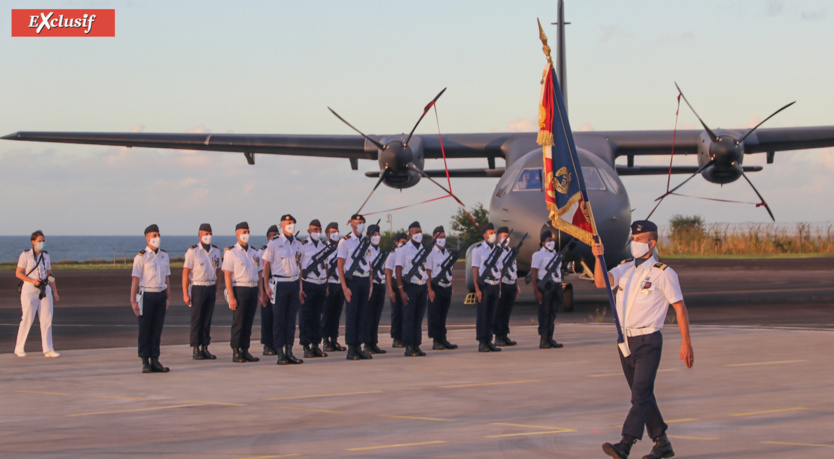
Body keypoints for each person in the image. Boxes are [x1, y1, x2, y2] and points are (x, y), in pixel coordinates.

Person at [593, 220, 694, 459]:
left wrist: (686, 343)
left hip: (648, 340)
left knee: (639, 395)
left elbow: (680, 308)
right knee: (644, 395)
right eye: (634, 239)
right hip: (625, 341)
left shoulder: (664, 274)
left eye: (639, 239)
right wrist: (598, 257)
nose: (635, 243)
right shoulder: (625, 267)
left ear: (652, 243)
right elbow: (601, 282)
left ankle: (626, 443)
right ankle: (662, 442)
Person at [263, 214, 304, 365]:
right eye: (287, 222)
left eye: (292, 222)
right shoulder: (275, 242)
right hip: (279, 283)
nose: (290, 224)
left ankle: (289, 351)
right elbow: (266, 264)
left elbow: (300, 266)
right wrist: (266, 286)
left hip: (293, 283)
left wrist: (300, 287)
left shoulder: (298, 244)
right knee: (279, 319)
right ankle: (280, 353)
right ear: (281, 224)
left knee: (291, 320)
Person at [130, 224, 171, 373]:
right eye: (154, 235)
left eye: (158, 235)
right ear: (147, 238)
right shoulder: (141, 257)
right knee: (145, 329)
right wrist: (133, 300)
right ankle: (145, 361)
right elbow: (135, 279)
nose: (157, 238)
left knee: (157, 329)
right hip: (146, 294)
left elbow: (167, 278)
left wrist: (167, 297)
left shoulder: (164, 255)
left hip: (160, 294)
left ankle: (155, 360)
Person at [222, 222, 264, 363]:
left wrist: (261, 294)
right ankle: (236, 351)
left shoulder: (254, 252)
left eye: (247, 231)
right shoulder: (231, 252)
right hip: (239, 288)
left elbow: (259, 274)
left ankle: (245, 350)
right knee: (239, 322)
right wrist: (231, 296)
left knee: (248, 322)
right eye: (243, 232)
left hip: (252, 289)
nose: (246, 234)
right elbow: (227, 275)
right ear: (237, 234)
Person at [14, 230, 60, 358]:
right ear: (33, 241)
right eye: (39, 241)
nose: (42, 243)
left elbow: (50, 274)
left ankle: (48, 349)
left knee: (47, 319)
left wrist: (55, 291)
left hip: (44, 289)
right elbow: (19, 273)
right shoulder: (25, 255)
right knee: (27, 318)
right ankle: (19, 348)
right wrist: (32, 280)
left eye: (43, 241)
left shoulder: (45, 256)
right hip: (29, 289)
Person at [182, 223, 222, 360]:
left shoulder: (216, 251)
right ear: (199, 235)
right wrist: (185, 293)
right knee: (197, 319)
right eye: (205, 233)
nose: (207, 236)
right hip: (198, 286)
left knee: (207, 319)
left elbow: (218, 271)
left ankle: (205, 347)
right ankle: (195, 348)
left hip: (210, 286)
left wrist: (216, 290)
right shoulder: (193, 251)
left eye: (209, 233)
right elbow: (186, 273)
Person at [337, 213, 374, 360]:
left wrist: (371, 284)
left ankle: (359, 345)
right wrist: (345, 288)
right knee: (352, 315)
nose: (361, 224)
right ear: (352, 224)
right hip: (352, 281)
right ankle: (351, 348)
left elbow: (369, 264)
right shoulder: (345, 242)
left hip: (364, 280)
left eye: (362, 222)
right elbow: (340, 266)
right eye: (358, 222)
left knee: (362, 314)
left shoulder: (367, 242)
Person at [396, 221, 430, 357]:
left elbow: (428, 269)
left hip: (422, 286)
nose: (419, 234)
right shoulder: (403, 250)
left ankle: (416, 344)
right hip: (410, 286)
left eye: (420, 232)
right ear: (410, 234)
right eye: (416, 232)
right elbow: (398, 270)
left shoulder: (425, 249)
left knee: (419, 317)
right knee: (409, 317)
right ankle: (408, 345)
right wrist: (401, 290)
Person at [299, 219, 330, 359]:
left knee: (317, 316)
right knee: (306, 316)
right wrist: (300, 286)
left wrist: (327, 284)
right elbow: (298, 267)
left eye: (318, 230)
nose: (317, 232)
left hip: (321, 283)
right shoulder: (303, 245)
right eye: (314, 230)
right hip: (308, 284)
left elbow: (327, 266)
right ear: (308, 231)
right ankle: (306, 346)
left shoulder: (324, 246)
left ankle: (316, 345)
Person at [471, 222, 503, 352]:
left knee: (492, 315)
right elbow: (475, 270)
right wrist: (477, 289)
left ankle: (489, 340)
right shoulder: (478, 250)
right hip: (484, 286)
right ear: (484, 235)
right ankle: (482, 341)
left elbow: (500, 270)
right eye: (490, 233)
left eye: (494, 233)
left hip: (495, 285)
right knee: (483, 315)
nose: (493, 235)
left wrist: (499, 287)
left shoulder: (497, 250)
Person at [425, 226, 458, 350]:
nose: (442, 239)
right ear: (434, 237)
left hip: (446, 287)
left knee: (443, 315)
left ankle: (443, 339)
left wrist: (452, 287)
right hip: (436, 287)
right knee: (435, 315)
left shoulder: (447, 253)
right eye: (440, 237)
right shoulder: (431, 253)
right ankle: (436, 340)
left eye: (444, 237)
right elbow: (428, 272)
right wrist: (429, 290)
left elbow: (450, 272)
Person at [531, 231, 564, 349]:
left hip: (556, 285)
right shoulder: (538, 255)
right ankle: (543, 338)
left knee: (552, 312)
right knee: (544, 313)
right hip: (545, 287)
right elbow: (533, 274)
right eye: (548, 240)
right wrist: (537, 291)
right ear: (543, 242)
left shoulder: (555, 254)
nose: (551, 242)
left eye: (552, 240)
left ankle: (550, 337)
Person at [321, 222, 347, 353]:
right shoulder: (324, 247)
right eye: (332, 232)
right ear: (327, 234)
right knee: (327, 313)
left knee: (336, 314)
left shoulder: (341, 247)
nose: (335, 234)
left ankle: (334, 339)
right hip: (329, 283)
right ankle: (325, 340)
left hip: (339, 283)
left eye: (337, 231)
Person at [494, 226, 520, 347]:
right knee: (499, 311)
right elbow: (497, 269)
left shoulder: (510, 251)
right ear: (498, 237)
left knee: (507, 311)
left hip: (511, 284)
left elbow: (514, 270)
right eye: (504, 236)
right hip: (502, 284)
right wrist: (498, 287)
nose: (506, 238)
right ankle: (498, 336)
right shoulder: (495, 250)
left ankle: (504, 334)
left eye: (507, 236)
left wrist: (517, 285)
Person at [364, 224, 387, 355]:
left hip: (380, 284)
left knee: (376, 316)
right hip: (371, 285)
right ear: (368, 236)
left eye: (378, 234)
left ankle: (374, 343)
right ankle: (367, 344)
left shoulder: (378, 250)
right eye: (374, 234)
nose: (377, 237)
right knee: (369, 316)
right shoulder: (367, 250)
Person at [259, 225, 280, 356]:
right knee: (267, 317)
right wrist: (263, 292)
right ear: (268, 238)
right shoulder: (262, 251)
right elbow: (260, 273)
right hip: (267, 284)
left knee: (279, 317)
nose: (275, 239)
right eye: (273, 237)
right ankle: (267, 345)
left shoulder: (281, 250)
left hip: (279, 284)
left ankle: (277, 343)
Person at [385, 233, 407, 348]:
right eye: (402, 242)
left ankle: (404, 336)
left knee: (405, 312)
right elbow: (388, 274)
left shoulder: (406, 254)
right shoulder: (392, 256)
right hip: (395, 284)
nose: (404, 244)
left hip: (404, 283)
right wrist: (391, 291)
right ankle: (396, 338)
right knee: (397, 313)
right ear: (397, 243)